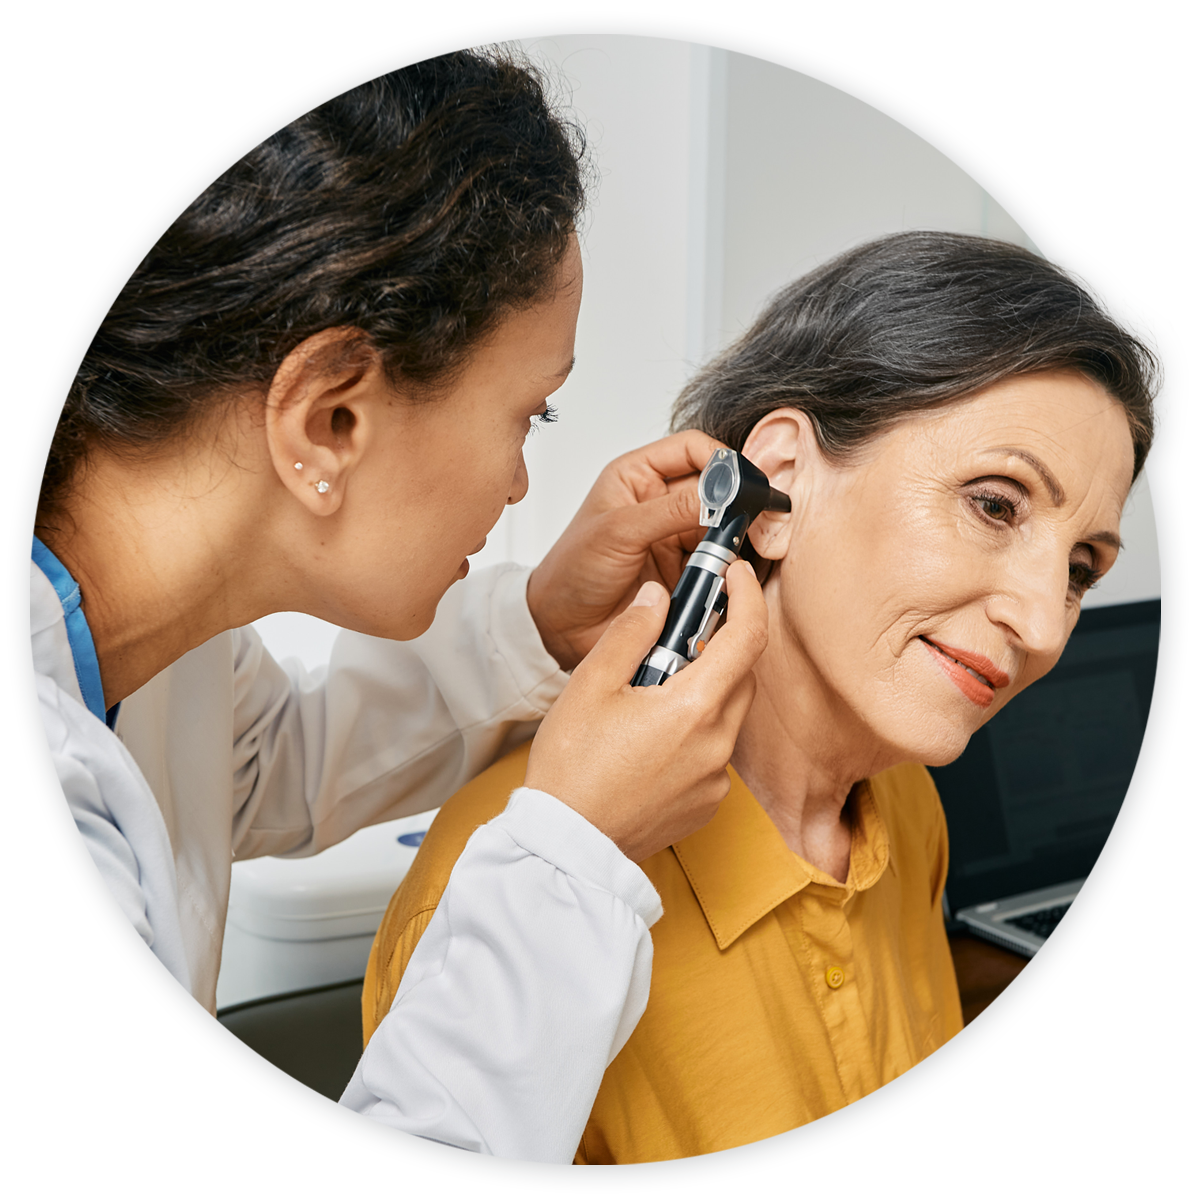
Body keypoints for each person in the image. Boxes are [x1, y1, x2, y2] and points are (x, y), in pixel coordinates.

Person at [28, 34, 770, 1165]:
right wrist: (575, 853)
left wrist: (538, 624)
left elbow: (258, 758)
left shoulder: (135, 631)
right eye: (532, 414)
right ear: (329, 415)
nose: (522, 478)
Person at [362, 231, 1170, 1164]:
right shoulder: (508, 894)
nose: (1042, 622)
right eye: (995, 504)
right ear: (782, 481)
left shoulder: (908, 812)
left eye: (1079, 568)